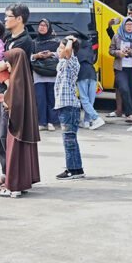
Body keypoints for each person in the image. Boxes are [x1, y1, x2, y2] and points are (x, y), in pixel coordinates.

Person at [0, 3, 34, 189]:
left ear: (19, 19)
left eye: (8, 16)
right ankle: (6, 173)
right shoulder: (7, 39)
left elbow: (1, 66)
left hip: (12, 94)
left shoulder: (24, 41)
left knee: (8, 136)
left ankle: (14, 177)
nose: (5, 19)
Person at [0, 49, 41, 198]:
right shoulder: (24, 76)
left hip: (17, 126)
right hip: (25, 124)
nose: (7, 65)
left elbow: (14, 103)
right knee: (23, 155)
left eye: (9, 61)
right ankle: (21, 184)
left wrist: (5, 101)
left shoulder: (16, 78)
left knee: (14, 154)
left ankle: (13, 187)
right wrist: (6, 97)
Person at [106, 3, 132, 118]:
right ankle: (121, 111)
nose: (129, 16)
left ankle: (129, 113)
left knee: (131, 91)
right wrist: (118, 53)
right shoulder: (118, 35)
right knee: (122, 88)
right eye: (128, 13)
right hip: (120, 66)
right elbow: (111, 48)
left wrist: (131, 52)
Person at [55, 36, 86, 180]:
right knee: (69, 138)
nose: (59, 50)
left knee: (69, 138)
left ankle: (73, 170)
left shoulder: (72, 61)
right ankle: (75, 168)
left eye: (61, 48)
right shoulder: (62, 62)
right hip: (64, 105)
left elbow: (68, 51)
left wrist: (69, 40)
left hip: (70, 106)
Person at [31, 19, 60, 132]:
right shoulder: (34, 42)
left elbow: (62, 54)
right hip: (38, 75)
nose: (42, 27)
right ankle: (42, 122)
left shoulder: (56, 42)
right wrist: (37, 55)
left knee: (51, 99)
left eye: (45, 25)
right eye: (40, 25)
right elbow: (29, 57)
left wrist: (51, 54)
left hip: (52, 75)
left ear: (49, 28)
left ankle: (51, 122)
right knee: (40, 99)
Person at [77, 33, 105, 130]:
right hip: (92, 73)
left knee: (84, 99)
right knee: (90, 100)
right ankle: (86, 121)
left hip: (82, 73)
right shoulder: (90, 50)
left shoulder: (77, 49)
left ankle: (96, 118)